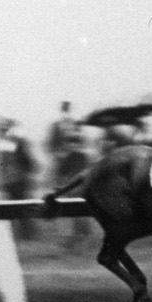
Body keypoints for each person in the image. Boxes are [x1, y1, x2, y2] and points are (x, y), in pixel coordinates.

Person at [45, 101, 91, 245]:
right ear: (62, 110)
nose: (66, 112)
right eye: (64, 110)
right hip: (63, 164)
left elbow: (82, 141)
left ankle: (79, 232)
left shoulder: (75, 125)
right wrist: (57, 154)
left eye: (67, 109)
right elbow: (50, 145)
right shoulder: (55, 126)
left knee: (77, 200)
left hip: (74, 165)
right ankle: (74, 233)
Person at [0, 117, 39, 239]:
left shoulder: (2, 144)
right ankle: (26, 233)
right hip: (17, 179)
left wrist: (2, 178)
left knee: (16, 207)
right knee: (22, 206)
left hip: (14, 179)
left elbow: (2, 164)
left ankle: (24, 233)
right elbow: (26, 160)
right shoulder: (17, 142)